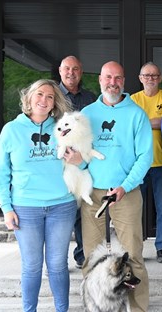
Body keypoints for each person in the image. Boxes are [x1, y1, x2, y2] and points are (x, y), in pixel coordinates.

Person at [75, 61, 156, 312]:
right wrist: (84, 176)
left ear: (124, 81)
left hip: (126, 192)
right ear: (99, 80)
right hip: (93, 193)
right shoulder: (86, 114)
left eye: (118, 77)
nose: (113, 82)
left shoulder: (136, 115)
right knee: (92, 257)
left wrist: (125, 185)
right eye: (108, 77)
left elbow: (145, 156)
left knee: (132, 255)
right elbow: (80, 153)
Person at [0, 79, 77, 312]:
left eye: (50, 97)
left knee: (58, 265)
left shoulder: (63, 128)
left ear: (55, 103)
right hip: (25, 207)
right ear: (29, 98)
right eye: (39, 94)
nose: (44, 100)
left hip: (61, 205)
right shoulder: (12, 130)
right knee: (31, 267)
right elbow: (0, 172)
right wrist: (6, 208)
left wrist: (77, 159)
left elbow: (79, 163)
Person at [132, 62, 162, 264]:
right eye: (146, 75)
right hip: (137, 165)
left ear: (160, 78)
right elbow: (128, 126)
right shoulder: (132, 99)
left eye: (154, 75)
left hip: (161, 162)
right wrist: (153, 121)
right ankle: (134, 249)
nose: (150, 78)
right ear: (140, 78)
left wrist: (140, 121)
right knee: (133, 209)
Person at [57, 55, 97, 269]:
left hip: (82, 164)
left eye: (75, 69)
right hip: (60, 165)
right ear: (60, 71)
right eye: (67, 69)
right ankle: (57, 260)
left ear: (81, 72)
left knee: (82, 213)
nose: (71, 73)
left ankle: (82, 256)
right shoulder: (52, 96)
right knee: (61, 214)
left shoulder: (90, 98)